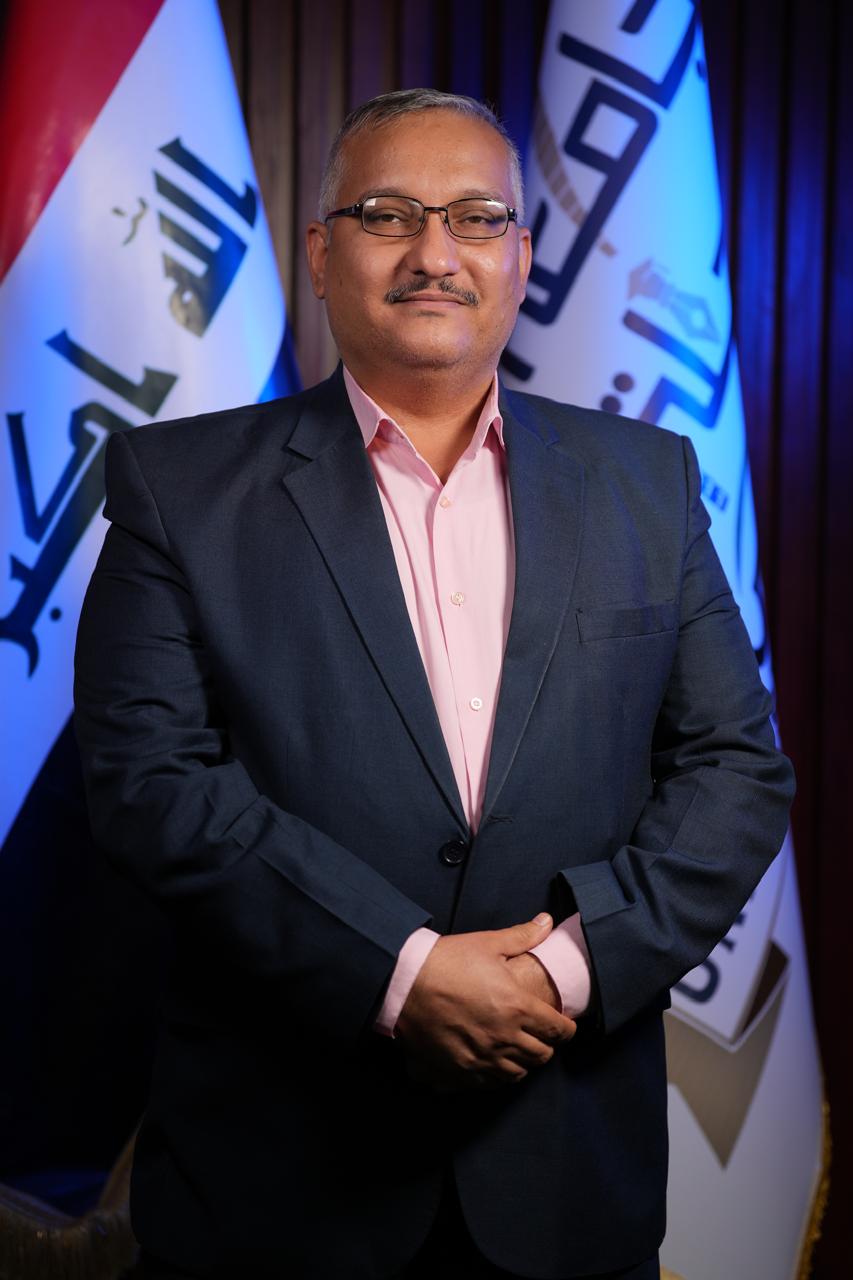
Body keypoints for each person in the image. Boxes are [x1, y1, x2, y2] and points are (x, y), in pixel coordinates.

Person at [73, 89, 794, 1280]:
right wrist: (399, 971)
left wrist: (560, 969)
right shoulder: (177, 487)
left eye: (475, 217)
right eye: (387, 214)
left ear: (521, 256)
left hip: (566, 1173)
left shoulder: (647, 480)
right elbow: (148, 783)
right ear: (322, 254)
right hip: (276, 1190)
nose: (434, 252)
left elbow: (734, 769)